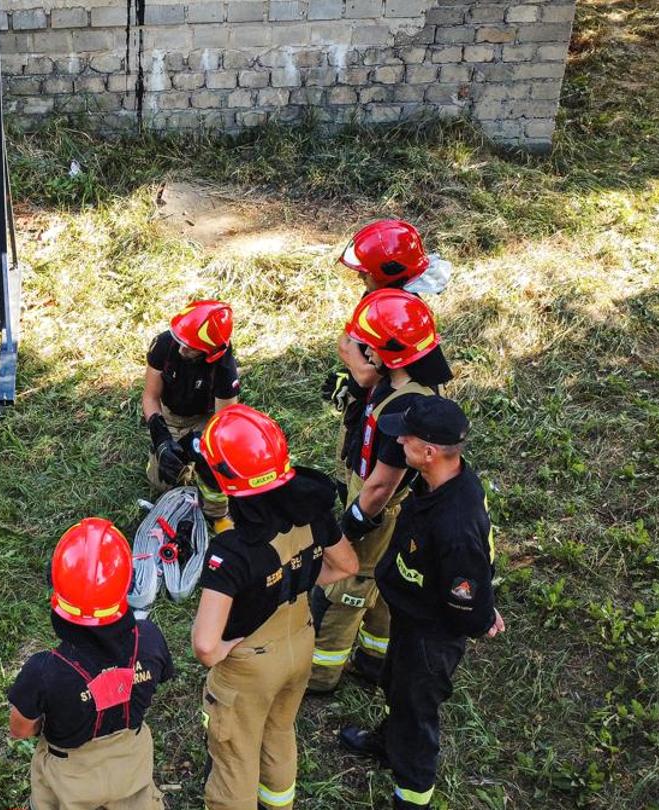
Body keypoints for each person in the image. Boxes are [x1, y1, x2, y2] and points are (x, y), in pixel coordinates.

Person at [333, 396, 504, 810]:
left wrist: (481, 615)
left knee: (416, 709)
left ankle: (412, 792)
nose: (400, 441)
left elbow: (465, 592)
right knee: (395, 683)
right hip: (411, 616)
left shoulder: (456, 523)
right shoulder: (441, 480)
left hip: (433, 633)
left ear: (428, 452)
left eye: (406, 437)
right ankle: (390, 743)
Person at [189, 405, 360, 809]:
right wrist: (293, 584)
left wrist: (231, 646)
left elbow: (206, 647)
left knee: (236, 756)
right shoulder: (310, 511)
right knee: (280, 732)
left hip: (250, 668)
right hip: (300, 642)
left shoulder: (231, 554)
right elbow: (347, 565)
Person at [311, 290, 454, 693]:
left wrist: (351, 524)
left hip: (380, 508)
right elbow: (359, 368)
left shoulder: (402, 412)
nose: (361, 350)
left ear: (387, 352)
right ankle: (376, 659)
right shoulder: (406, 380)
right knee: (388, 581)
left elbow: (380, 485)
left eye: (368, 345)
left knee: (348, 587)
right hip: (398, 510)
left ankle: (320, 674)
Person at [8, 518, 175, 810]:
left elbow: (21, 729)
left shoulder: (44, 672)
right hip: (131, 769)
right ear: (125, 587)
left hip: (69, 781)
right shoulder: (149, 640)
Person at [143, 299, 240, 529]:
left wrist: (195, 445)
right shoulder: (165, 344)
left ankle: (218, 513)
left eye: (190, 347)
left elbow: (222, 426)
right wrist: (162, 439)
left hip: (205, 419)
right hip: (169, 414)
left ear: (210, 353)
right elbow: (150, 397)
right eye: (181, 341)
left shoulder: (224, 369)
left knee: (213, 459)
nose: (181, 349)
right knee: (162, 479)